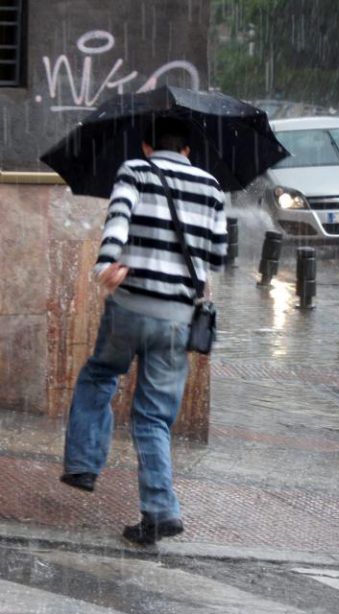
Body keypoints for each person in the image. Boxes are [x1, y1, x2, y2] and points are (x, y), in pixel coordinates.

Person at [60, 117, 228, 546]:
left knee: (100, 375)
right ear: (187, 150)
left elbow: (118, 218)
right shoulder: (211, 185)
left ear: (149, 146)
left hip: (129, 307)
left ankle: (83, 465)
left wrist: (107, 264)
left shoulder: (134, 170)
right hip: (176, 318)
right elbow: (219, 253)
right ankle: (160, 511)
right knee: (153, 417)